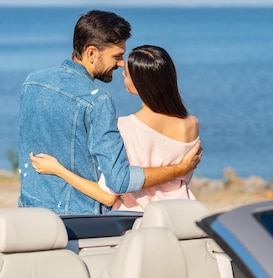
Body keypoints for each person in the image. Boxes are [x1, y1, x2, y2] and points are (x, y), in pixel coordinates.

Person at [18, 10, 202, 214]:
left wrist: (57, 170)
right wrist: (180, 169)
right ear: (91, 53)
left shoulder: (32, 81)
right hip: (80, 218)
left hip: (30, 209)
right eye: (117, 56)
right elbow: (120, 181)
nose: (122, 63)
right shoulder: (98, 101)